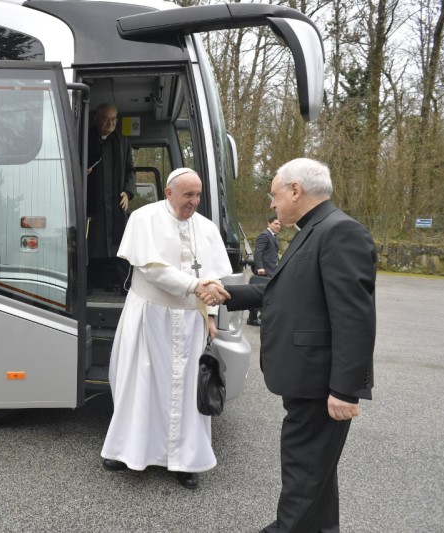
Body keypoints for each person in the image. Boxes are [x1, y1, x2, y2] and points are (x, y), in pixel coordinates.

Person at [201, 158, 376, 531]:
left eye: (274, 193)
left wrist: (346, 388)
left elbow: (354, 317)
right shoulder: (313, 230)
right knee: (317, 472)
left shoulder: (339, 232)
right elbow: (280, 289)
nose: (271, 203)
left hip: (319, 383)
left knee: (304, 469)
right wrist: (227, 294)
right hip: (306, 379)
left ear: (295, 190)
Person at [100, 168, 232, 489]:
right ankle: (125, 450)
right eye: (188, 195)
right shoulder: (144, 218)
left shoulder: (206, 227)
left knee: (187, 391)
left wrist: (211, 315)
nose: (194, 202)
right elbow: (152, 270)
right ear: (169, 193)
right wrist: (196, 285)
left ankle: (185, 460)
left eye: (198, 195)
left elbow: (215, 278)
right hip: (150, 317)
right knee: (139, 384)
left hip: (190, 321)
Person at [86, 103, 136, 292]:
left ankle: (125, 285)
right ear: (96, 119)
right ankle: (87, 285)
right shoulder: (83, 138)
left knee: (119, 244)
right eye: (106, 119)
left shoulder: (122, 142)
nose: (110, 123)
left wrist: (128, 192)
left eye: (114, 119)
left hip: (115, 205)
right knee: (91, 243)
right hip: (91, 205)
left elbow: (130, 170)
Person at [247, 215, 282, 326]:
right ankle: (252, 318)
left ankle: (262, 316)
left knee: (266, 294)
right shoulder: (264, 235)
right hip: (264, 271)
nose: (278, 226)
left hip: (271, 270)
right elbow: (258, 252)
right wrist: (260, 267)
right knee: (257, 294)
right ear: (269, 223)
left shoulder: (273, 236)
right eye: (276, 223)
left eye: (280, 224)